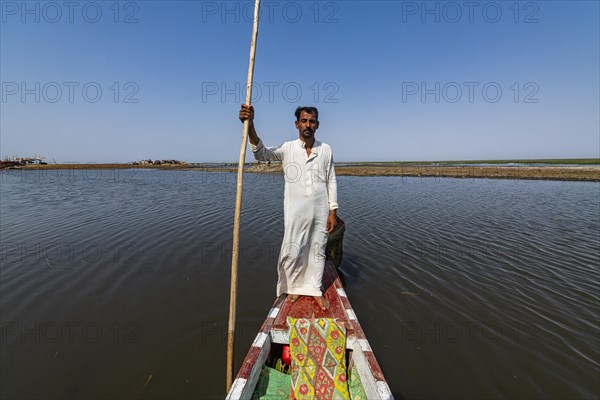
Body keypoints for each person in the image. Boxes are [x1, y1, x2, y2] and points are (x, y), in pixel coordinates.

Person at [238, 104, 338, 310]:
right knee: (293, 250)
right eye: (304, 121)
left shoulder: (325, 149)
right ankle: (293, 288)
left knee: (317, 249)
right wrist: (251, 125)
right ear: (297, 124)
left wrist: (333, 211)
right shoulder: (288, 148)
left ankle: (315, 289)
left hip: (320, 210)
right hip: (295, 210)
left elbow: (331, 180)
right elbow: (261, 154)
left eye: (311, 121)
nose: (307, 125)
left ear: (317, 125)